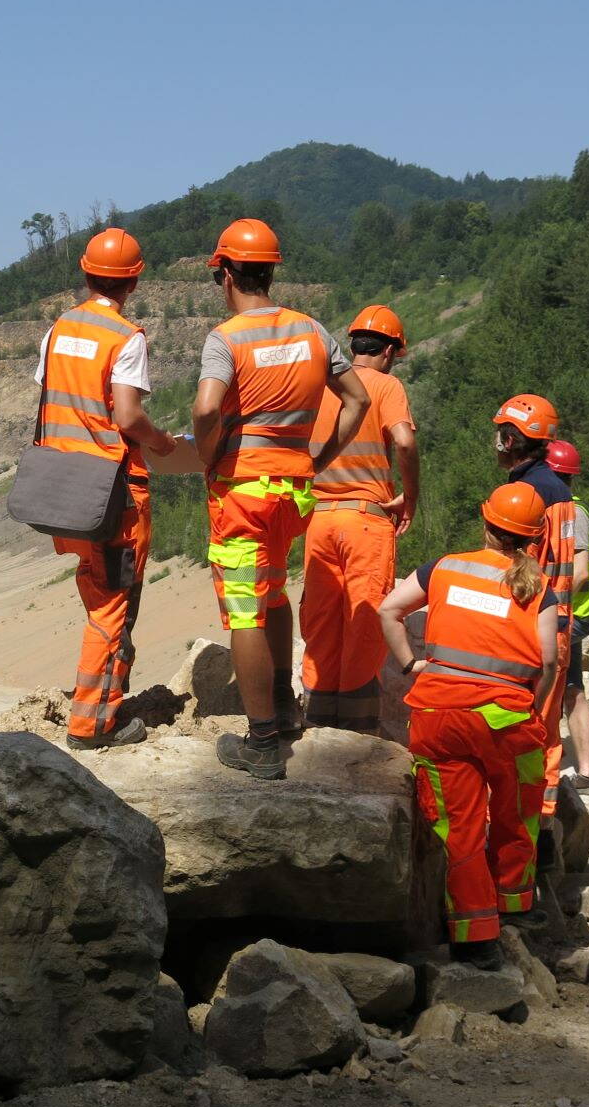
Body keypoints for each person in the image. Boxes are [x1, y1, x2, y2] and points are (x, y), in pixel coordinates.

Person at [192, 218, 369, 778]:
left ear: (224, 274)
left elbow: (203, 408)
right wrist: (316, 459)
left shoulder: (227, 338)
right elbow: (357, 400)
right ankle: (287, 715)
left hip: (243, 491)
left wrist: (208, 451)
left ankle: (262, 741)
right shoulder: (311, 330)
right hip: (294, 491)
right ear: (270, 272)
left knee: (243, 607)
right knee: (272, 593)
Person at [379, 482, 560, 967]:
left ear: (485, 523)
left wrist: (409, 664)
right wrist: (530, 707)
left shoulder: (444, 567)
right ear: (533, 538)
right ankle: (515, 906)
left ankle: (475, 938)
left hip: (439, 717)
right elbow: (548, 662)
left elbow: (389, 608)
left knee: (457, 827)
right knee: (517, 811)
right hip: (508, 721)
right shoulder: (538, 587)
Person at [33, 227, 179, 751]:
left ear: (85, 269)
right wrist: (161, 442)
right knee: (113, 606)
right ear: (134, 281)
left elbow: (56, 394)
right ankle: (93, 724)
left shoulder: (59, 329)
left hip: (61, 491)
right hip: (111, 496)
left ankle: (102, 698)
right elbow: (127, 413)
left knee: (97, 592)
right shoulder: (126, 337)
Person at [301, 305, 419, 733]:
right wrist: (412, 496)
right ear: (389, 352)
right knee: (364, 620)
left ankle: (317, 718)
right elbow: (404, 442)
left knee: (321, 620)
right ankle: (352, 733)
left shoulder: (323, 386)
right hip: (366, 521)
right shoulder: (386, 385)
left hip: (318, 521)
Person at [491, 395, 585, 820]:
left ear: (511, 439)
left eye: (500, 434)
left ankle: (511, 822)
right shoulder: (561, 492)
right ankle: (542, 825)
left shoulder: (523, 493)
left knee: (511, 730)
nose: (495, 442)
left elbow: (512, 568)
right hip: (559, 629)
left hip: (526, 630)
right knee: (545, 733)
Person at [545, 440, 589, 790]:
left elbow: (578, 573)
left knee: (548, 683)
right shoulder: (564, 508)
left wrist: (544, 607)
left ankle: (542, 760)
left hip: (570, 614)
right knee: (572, 688)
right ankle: (588, 773)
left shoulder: (571, 512)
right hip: (570, 612)